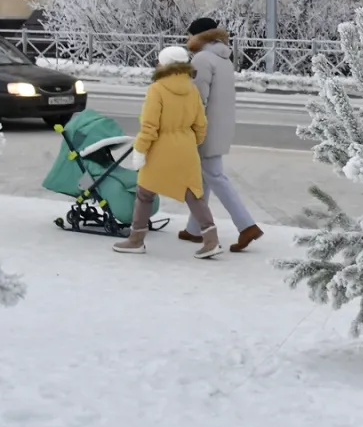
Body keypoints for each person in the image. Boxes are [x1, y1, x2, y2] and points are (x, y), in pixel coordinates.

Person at [114, 46, 223, 258]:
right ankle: (211, 240)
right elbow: (201, 125)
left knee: (145, 193)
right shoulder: (192, 89)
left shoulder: (157, 89)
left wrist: (140, 150)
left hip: (160, 149)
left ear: (165, 64)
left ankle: (136, 240)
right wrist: (190, 142)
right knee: (194, 194)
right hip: (186, 147)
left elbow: (149, 126)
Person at [177, 16, 265, 252]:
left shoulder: (202, 59)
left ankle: (247, 226)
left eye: (189, 34)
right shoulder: (223, 58)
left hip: (206, 127)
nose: (187, 38)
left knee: (214, 176)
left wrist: (187, 124)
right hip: (221, 125)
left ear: (198, 35)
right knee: (204, 177)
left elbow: (197, 98)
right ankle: (195, 228)